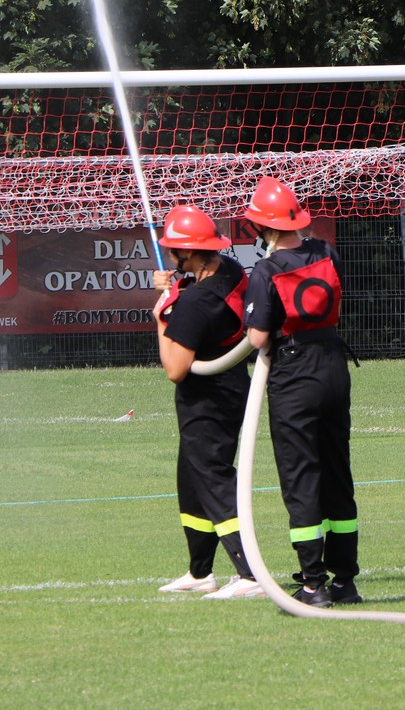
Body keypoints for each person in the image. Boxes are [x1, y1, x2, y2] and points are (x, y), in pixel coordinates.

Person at [240, 176, 362, 607]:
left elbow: (257, 337)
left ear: (262, 227)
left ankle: (313, 583)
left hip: (294, 373)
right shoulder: (326, 252)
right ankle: (345, 580)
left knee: (301, 478)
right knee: (337, 473)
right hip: (333, 365)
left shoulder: (267, 270)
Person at [151, 204, 264, 600]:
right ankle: (200, 571)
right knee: (191, 479)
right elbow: (198, 293)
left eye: (174, 250)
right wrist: (176, 290)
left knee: (213, 480)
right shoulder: (228, 270)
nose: (170, 256)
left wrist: (161, 315)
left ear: (188, 252)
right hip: (229, 386)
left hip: (208, 400)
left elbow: (175, 368)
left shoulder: (195, 304)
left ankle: (250, 574)